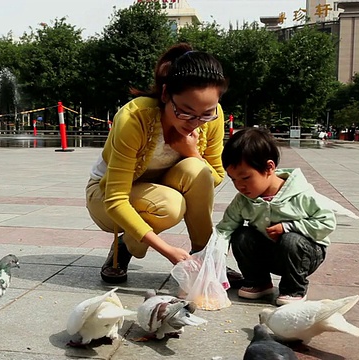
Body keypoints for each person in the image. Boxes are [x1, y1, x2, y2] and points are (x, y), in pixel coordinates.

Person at [86, 43, 243, 284]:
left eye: (206, 113)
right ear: (165, 94)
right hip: (106, 195)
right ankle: (125, 246)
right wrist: (167, 250)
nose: (195, 122)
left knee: (198, 169)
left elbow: (215, 176)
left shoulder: (214, 116)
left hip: (161, 189)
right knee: (170, 205)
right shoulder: (135, 118)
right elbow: (116, 198)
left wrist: (192, 152)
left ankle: (205, 257)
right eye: (185, 111)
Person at [216, 127, 336, 306]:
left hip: (303, 255)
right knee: (241, 235)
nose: (239, 186)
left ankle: (293, 289)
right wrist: (215, 253)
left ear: (269, 167)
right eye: (233, 179)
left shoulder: (302, 195)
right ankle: (258, 283)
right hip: (268, 254)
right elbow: (226, 227)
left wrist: (288, 227)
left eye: (245, 178)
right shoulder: (243, 200)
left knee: (291, 240)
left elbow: (327, 223)